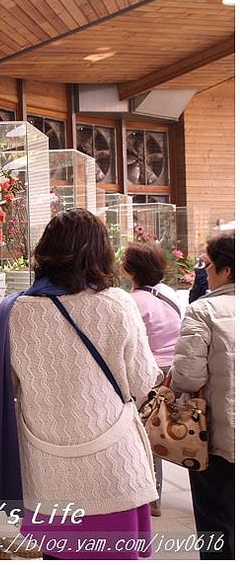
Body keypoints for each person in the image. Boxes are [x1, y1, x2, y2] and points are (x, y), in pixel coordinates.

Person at [0, 209, 161, 559]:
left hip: (48, 469)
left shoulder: (13, 313)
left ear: (46, 252)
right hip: (113, 465)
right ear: (101, 253)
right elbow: (141, 380)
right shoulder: (117, 304)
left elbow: (5, 387)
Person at [170, 233, 235, 560]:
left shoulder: (204, 310)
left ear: (224, 271)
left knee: (216, 519)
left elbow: (188, 377)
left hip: (219, 436)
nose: (203, 272)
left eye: (207, 265)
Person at [121, 242, 183, 517]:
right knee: (159, 427)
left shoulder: (134, 301)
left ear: (131, 269)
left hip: (153, 372)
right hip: (174, 369)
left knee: (148, 433)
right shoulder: (168, 293)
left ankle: (152, 498)